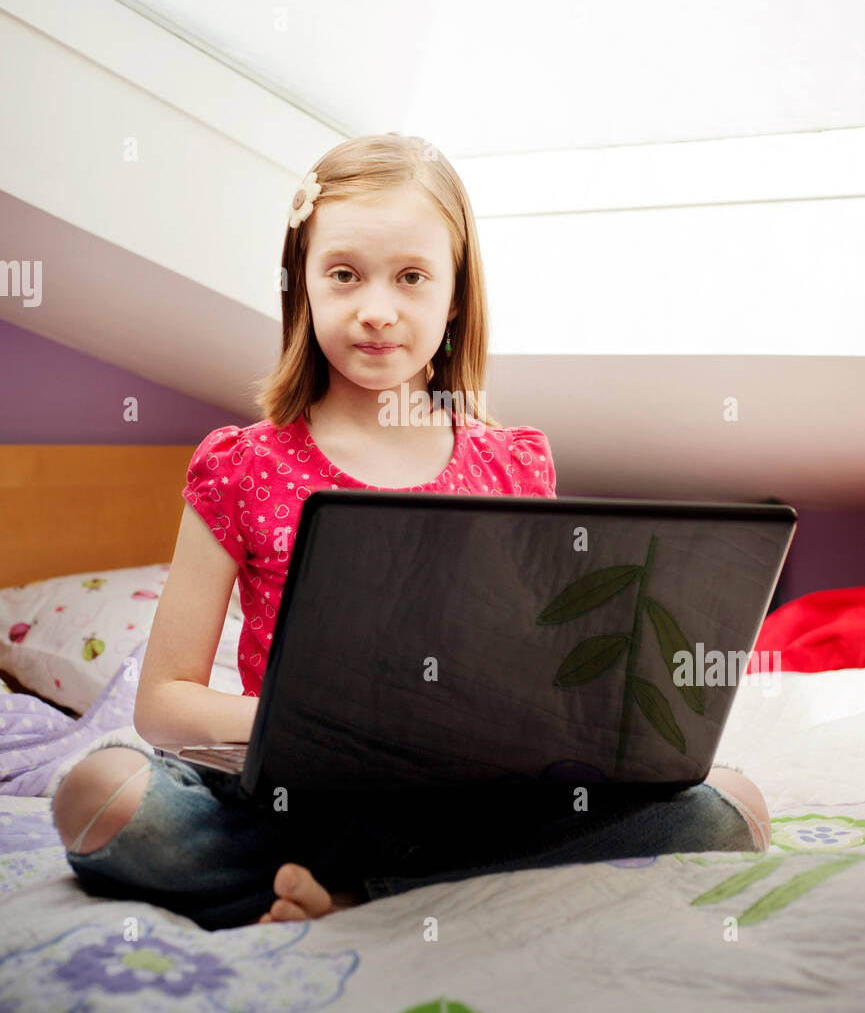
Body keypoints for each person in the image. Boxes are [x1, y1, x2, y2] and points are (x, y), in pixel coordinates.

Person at [52, 132, 771, 931]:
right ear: (302, 284)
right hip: (288, 806)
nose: (376, 310)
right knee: (100, 793)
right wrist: (311, 730)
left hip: (466, 811)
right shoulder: (240, 465)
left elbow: (544, 680)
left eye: (411, 277)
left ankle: (358, 897)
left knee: (730, 808)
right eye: (343, 274)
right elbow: (162, 704)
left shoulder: (513, 465)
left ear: (455, 295)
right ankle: (403, 892)